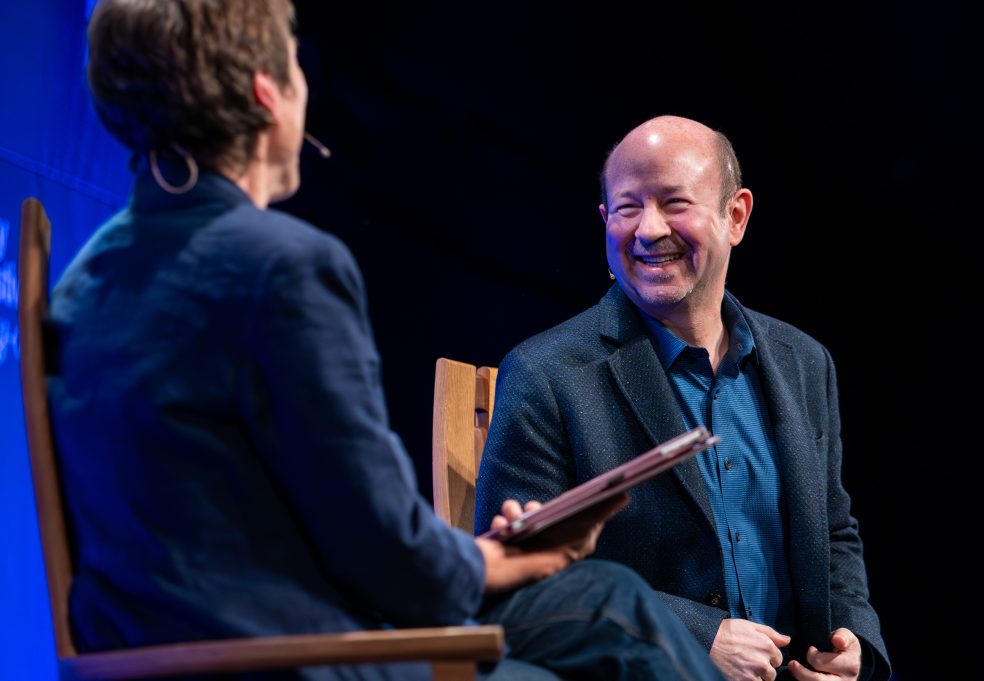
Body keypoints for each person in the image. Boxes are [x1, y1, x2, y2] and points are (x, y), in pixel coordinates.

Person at [47, 3, 725, 680]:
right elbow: (388, 561)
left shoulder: (85, 274)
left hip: (165, 652)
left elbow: (281, 512)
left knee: (605, 597)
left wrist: (489, 554)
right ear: (265, 90)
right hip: (289, 656)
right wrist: (500, 559)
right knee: (590, 629)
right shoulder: (280, 268)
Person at [475, 116, 891, 681]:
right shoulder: (547, 374)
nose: (648, 229)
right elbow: (519, 582)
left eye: (674, 202)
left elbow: (834, 532)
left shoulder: (803, 362)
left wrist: (856, 646)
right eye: (626, 208)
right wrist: (695, 638)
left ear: (736, 216)